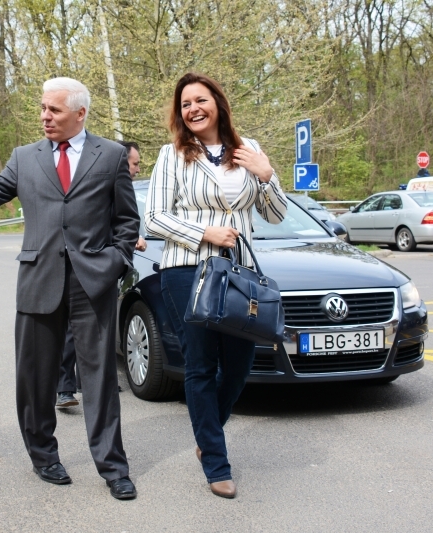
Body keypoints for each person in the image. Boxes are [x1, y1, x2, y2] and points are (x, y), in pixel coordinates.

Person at [0, 77, 140, 500]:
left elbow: (126, 220)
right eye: (43, 108)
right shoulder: (24, 157)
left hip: (92, 282)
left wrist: (115, 261)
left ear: (80, 113)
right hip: (38, 278)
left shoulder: (111, 155)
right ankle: (43, 456)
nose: (45, 116)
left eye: (54, 110)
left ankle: (113, 467)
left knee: (99, 380)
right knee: (34, 377)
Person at [144, 72, 288, 499]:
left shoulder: (249, 150)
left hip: (237, 273)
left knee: (240, 363)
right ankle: (216, 461)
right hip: (186, 269)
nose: (193, 109)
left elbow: (276, 215)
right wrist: (204, 232)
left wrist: (267, 175)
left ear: (218, 103)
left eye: (200, 100)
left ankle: (207, 434)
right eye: (186, 104)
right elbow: (154, 217)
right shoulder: (172, 155)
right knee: (201, 365)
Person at [55, 139, 147, 410]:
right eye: (135, 163)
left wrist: (122, 250)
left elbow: (126, 219)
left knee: (101, 326)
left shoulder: (126, 186)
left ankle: (90, 381)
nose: (137, 169)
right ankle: (64, 388)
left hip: (107, 266)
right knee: (72, 328)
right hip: (87, 263)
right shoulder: (98, 179)